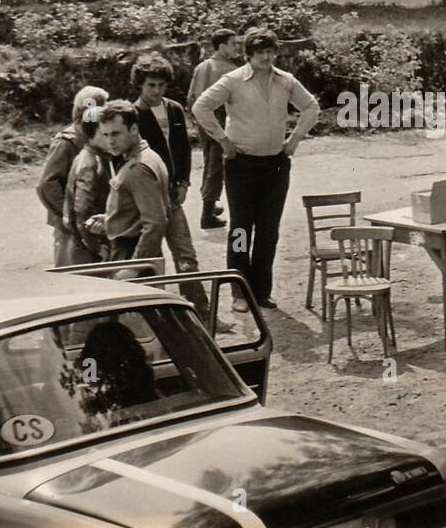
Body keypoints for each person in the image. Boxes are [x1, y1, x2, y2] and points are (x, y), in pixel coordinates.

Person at [191, 27, 318, 311]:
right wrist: (223, 141)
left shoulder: (285, 81)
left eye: (270, 51)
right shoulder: (232, 80)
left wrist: (294, 140)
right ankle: (239, 292)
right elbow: (201, 107)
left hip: (275, 164)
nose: (266, 56)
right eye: (260, 51)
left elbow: (311, 107)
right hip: (242, 164)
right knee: (240, 228)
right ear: (248, 54)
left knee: (268, 229)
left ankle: (262, 290)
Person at [130, 52, 209, 319]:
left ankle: (200, 311)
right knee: (149, 256)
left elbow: (184, 149)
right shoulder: (133, 114)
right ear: (140, 84)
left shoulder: (174, 109)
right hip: (148, 197)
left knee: (185, 253)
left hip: (173, 194)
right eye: (151, 85)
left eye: (161, 85)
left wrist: (184, 182)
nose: (156, 90)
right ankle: (153, 314)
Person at [36, 85, 109, 265]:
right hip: (69, 227)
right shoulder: (66, 142)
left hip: (91, 222)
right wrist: (70, 215)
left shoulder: (95, 138)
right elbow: (47, 184)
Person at [89, 100, 169, 262]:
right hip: (129, 249)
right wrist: (110, 218)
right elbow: (138, 211)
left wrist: (134, 266)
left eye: (116, 133)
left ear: (133, 129)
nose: (110, 141)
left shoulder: (138, 167)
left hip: (131, 253)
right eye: (105, 135)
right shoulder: (143, 157)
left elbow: (155, 223)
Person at [187, 28, 241, 229]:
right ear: (221, 46)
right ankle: (207, 213)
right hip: (220, 120)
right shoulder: (231, 70)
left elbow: (191, 97)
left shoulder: (201, 67)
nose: (237, 47)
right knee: (217, 167)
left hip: (202, 119)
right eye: (233, 43)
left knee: (210, 162)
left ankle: (210, 203)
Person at [62, 103, 114, 264]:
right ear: (92, 133)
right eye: (104, 132)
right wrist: (96, 247)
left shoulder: (95, 157)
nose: (110, 137)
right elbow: (82, 211)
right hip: (88, 250)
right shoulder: (90, 163)